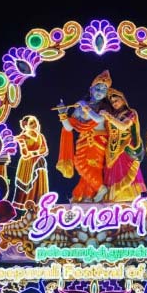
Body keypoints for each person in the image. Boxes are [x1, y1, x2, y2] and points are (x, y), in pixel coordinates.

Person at [56, 70, 111, 203]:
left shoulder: (105, 107)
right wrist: (63, 114)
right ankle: (87, 197)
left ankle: (100, 188)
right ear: (91, 89)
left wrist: (87, 108)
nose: (100, 91)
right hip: (82, 141)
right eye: (98, 88)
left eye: (104, 89)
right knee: (81, 167)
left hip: (97, 141)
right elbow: (69, 127)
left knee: (90, 166)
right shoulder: (79, 107)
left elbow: (98, 120)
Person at [101, 88, 147, 202]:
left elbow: (123, 126)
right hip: (111, 153)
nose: (114, 103)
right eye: (112, 102)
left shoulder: (131, 113)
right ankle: (113, 205)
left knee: (130, 176)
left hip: (126, 150)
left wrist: (109, 118)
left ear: (123, 100)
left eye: (116, 100)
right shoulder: (111, 115)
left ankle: (135, 204)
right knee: (111, 177)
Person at [13, 115, 49, 209]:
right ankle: (25, 205)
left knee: (39, 184)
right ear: (25, 126)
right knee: (28, 184)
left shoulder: (40, 136)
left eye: (35, 122)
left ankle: (40, 205)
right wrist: (21, 142)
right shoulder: (23, 137)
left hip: (39, 162)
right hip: (27, 164)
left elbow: (44, 149)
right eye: (31, 123)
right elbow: (24, 154)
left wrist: (34, 153)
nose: (35, 124)